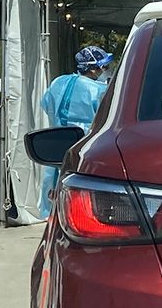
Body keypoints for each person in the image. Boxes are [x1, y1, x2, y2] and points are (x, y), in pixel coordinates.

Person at [37, 45, 114, 217]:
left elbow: (46, 104)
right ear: (93, 68)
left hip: (57, 141)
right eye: (105, 66)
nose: (108, 70)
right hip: (87, 144)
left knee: (54, 185)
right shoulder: (99, 90)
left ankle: (51, 214)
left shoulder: (58, 82)